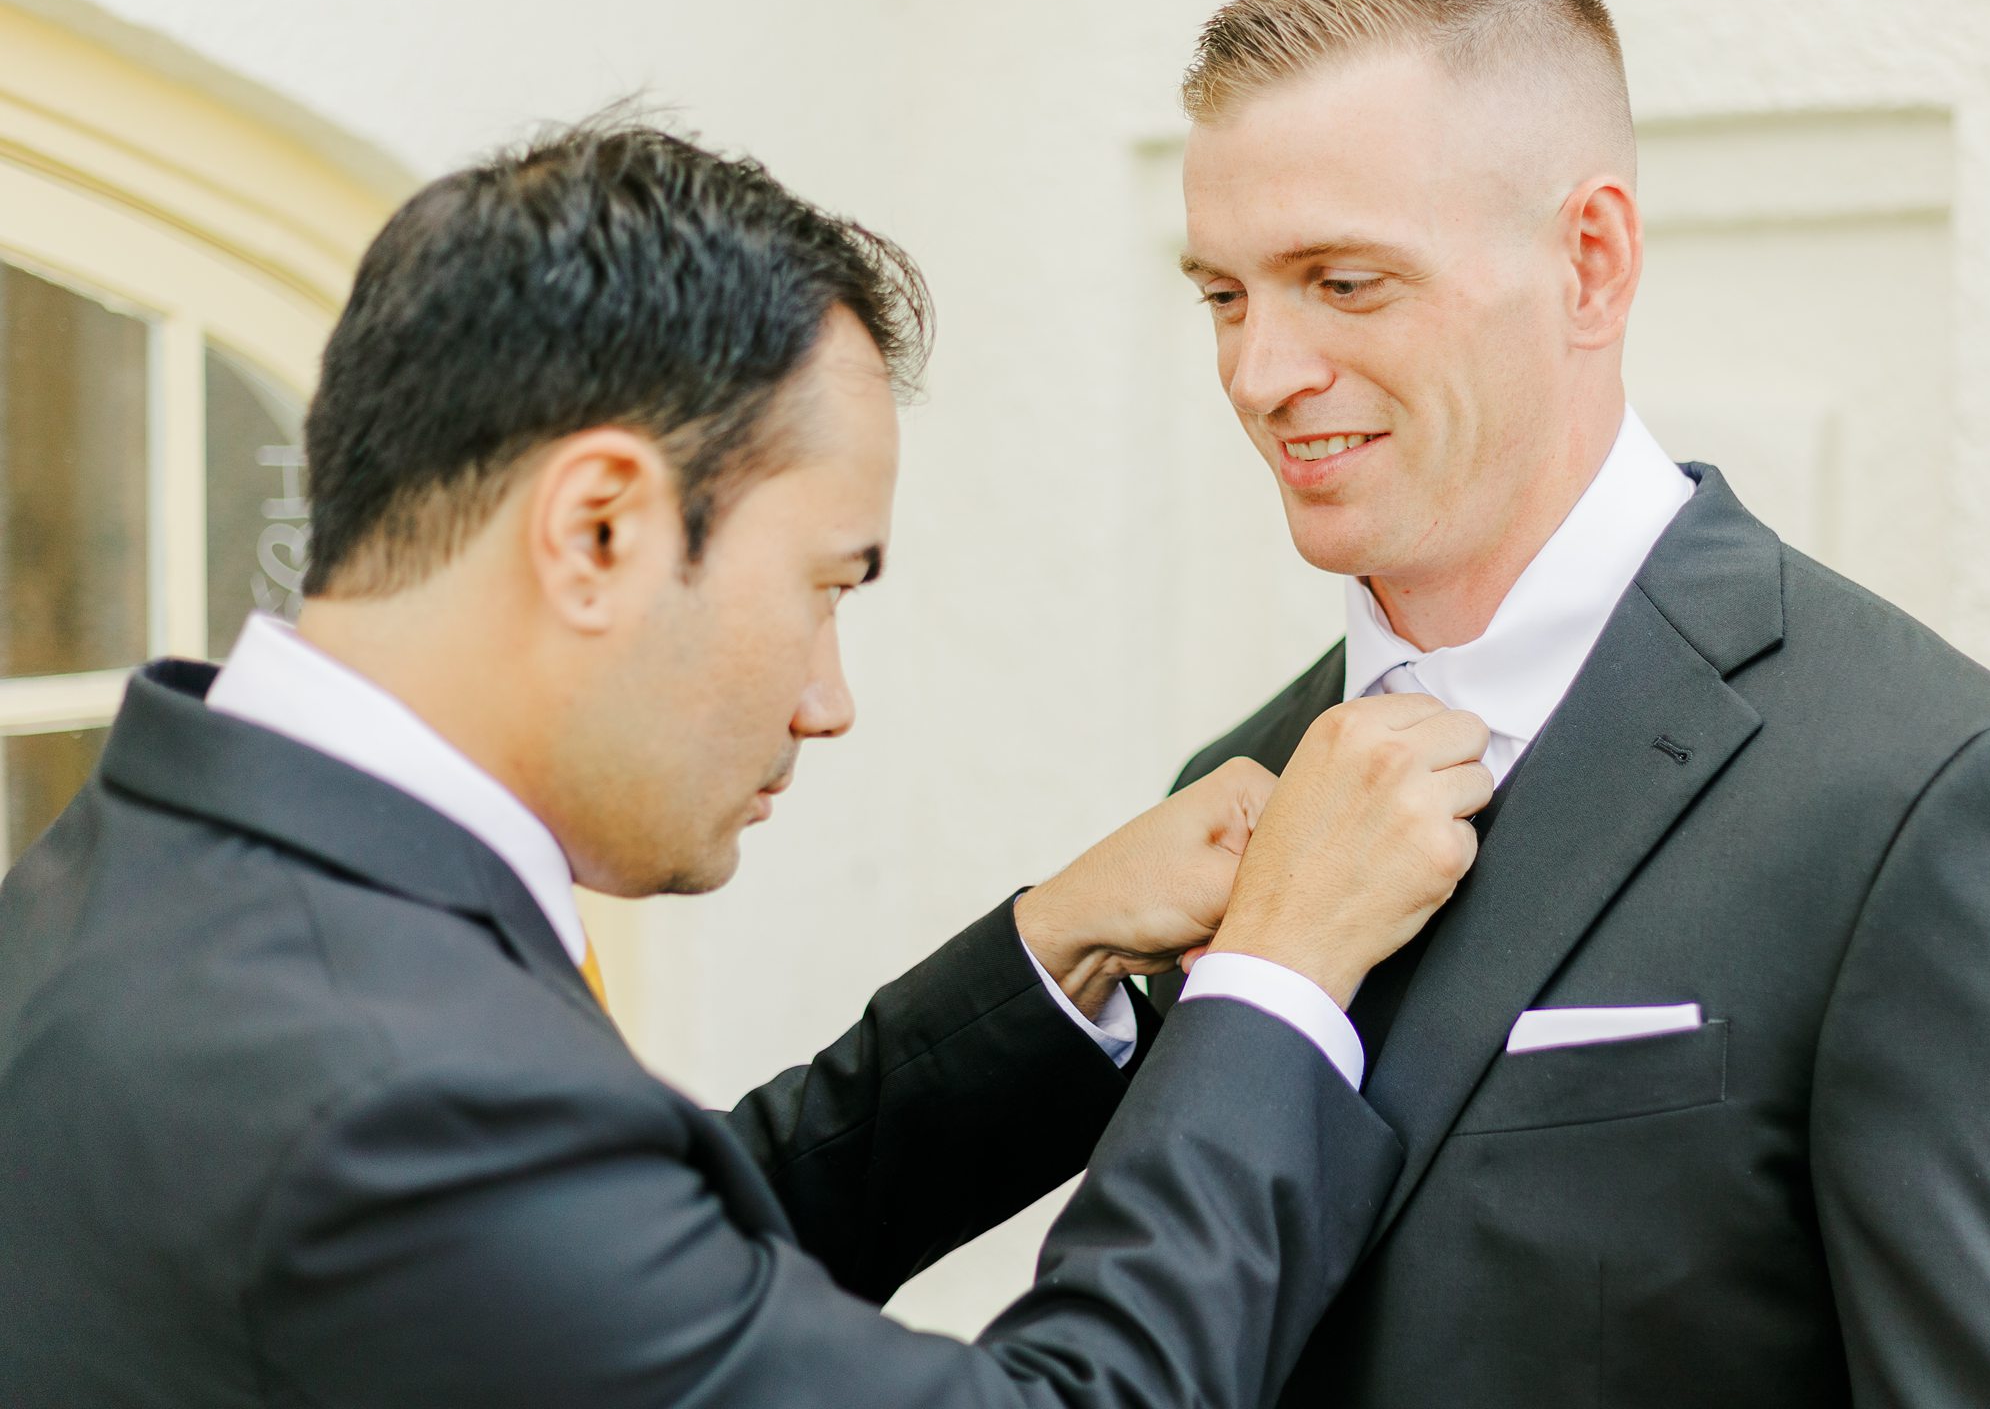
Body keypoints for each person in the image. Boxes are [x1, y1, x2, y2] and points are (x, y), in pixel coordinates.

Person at [0, 122, 1497, 1407]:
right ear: (598, 531)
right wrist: (1276, 986)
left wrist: (1058, 948)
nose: (827, 698)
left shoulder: (131, 879)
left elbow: (637, 1286)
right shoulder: (392, 1087)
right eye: (826, 586)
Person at [1150, 0, 1990, 1407]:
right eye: (1224, 295)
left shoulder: (1936, 814)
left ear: (1590, 261)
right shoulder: (1234, 798)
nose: (1262, 373)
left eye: (1345, 280)